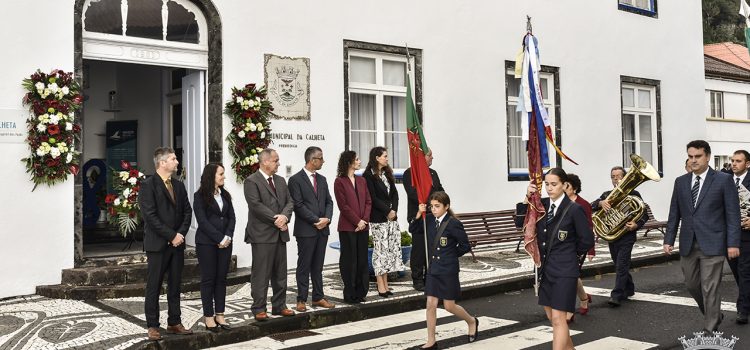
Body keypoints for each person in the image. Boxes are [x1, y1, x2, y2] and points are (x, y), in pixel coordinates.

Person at [664, 140, 741, 332]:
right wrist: (668, 239)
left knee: (710, 287)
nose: (693, 160)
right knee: (691, 284)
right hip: (688, 243)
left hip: (714, 242)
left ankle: (710, 329)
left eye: (697, 156)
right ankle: (713, 313)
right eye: (690, 157)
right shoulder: (681, 182)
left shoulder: (723, 180)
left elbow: (733, 214)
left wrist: (733, 243)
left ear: (707, 156)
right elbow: (675, 213)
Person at [519, 168, 594, 350]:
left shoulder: (574, 209)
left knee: (559, 319)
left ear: (564, 185)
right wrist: (526, 198)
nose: (549, 188)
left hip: (565, 270)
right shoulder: (541, 205)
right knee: (552, 317)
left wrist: (568, 254)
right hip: (545, 270)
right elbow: (520, 222)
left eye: (554, 184)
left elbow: (587, 240)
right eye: (546, 184)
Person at [138, 147, 193, 340]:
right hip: (158, 244)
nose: (177, 162)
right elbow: (150, 216)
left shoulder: (178, 185)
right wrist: (171, 235)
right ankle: (153, 325)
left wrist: (181, 234)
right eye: (173, 159)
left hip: (177, 244)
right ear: (162, 163)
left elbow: (187, 211)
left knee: (176, 285)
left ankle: (174, 322)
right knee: (154, 286)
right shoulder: (148, 185)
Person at [411, 191, 477, 349]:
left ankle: (472, 321)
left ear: (446, 207)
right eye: (431, 206)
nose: (433, 209)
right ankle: (431, 340)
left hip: (448, 270)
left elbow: (465, 245)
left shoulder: (453, 223)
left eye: (437, 206)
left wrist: (450, 255)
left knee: (449, 306)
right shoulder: (429, 221)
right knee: (430, 304)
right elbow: (413, 229)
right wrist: (419, 213)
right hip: (434, 269)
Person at [243, 148, 295, 321]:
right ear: (265, 161)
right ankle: (259, 308)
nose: (278, 163)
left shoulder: (280, 180)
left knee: (280, 273)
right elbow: (256, 206)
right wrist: (276, 219)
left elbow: (289, 202)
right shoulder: (251, 181)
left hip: (280, 234)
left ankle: (279, 306)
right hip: (262, 235)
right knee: (261, 274)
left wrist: (285, 217)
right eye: (275, 160)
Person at [591, 166, 648, 307]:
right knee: (618, 263)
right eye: (613, 177)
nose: (616, 179)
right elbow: (590, 206)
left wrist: (636, 224)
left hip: (627, 235)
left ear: (625, 177)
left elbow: (644, 214)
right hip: (613, 236)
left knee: (621, 264)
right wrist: (600, 203)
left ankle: (616, 295)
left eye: (619, 176)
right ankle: (629, 288)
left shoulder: (634, 193)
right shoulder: (606, 195)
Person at [288, 146, 335, 312]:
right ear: (312, 160)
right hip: (306, 231)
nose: (323, 161)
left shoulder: (322, 179)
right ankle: (301, 299)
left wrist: (327, 219)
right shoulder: (295, 180)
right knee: (304, 265)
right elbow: (298, 205)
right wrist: (316, 220)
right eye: (321, 158)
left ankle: (318, 297)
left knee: (318, 266)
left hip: (322, 230)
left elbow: (329, 201)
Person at [193, 163, 235, 332]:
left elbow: (232, 217)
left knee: (221, 279)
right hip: (207, 244)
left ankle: (220, 314)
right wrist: (219, 238)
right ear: (212, 176)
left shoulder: (225, 194)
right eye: (221, 174)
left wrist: (228, 237)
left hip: (225, 243)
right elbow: (202, 221)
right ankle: (208, 317)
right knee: (208, 279)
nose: (224, 177)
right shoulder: (200, 196)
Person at [363, 146, 405, 298]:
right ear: (377, 158)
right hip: (378, 219)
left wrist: (394, 211)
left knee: (388, 252)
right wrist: (387, 211)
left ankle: (386, 284)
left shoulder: (387, 173)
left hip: (391, 219)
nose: (387, 159)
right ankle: (380, 286)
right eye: (385, 156)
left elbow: (394, 194)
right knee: (380, 252)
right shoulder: (368, 175)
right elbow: (373, 198)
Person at [403, 149, 445, 291]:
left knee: (433, 248)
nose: (432, 157)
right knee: (419, 249)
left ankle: (430, 277)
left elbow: (440, 191)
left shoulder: (433, 173)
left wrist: (440, 204)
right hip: (418, 216)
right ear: (421, 157)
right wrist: (431, 204)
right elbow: (413, 194)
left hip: (434, 216)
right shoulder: (410, 173)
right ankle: (417, 278)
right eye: (429, 155)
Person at [333, 150, 372, 304]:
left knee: (362, 260)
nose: (359, 161)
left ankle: (361, 292)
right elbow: (343, 206)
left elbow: (368, 201)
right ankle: (349, 293)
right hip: (348, 227)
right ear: (349, 162)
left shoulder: (362, 181)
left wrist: (364, 221)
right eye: (356, 159)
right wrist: (357, 222)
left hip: (363, 227)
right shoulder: (339, 181)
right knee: (350, 261)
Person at [562, 174, 594, 323]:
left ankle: (569, 311)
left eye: (566, 185)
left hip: (578, 246)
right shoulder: (560, 202)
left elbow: (589, 228)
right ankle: (584, 298)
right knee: (573, 276)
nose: (563, 188)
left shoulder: (583, 204)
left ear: (574, 188)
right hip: (563, 245)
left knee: (570, 277)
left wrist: (590, 250)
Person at [729, 149, 750, 324]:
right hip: (729, 236)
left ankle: (742, 310)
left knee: (744, 272)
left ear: (747, 164)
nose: (734, 164)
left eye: (738, 161)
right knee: (737, 272)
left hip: (747, 235)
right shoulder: (725, 180)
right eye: (732, 160)